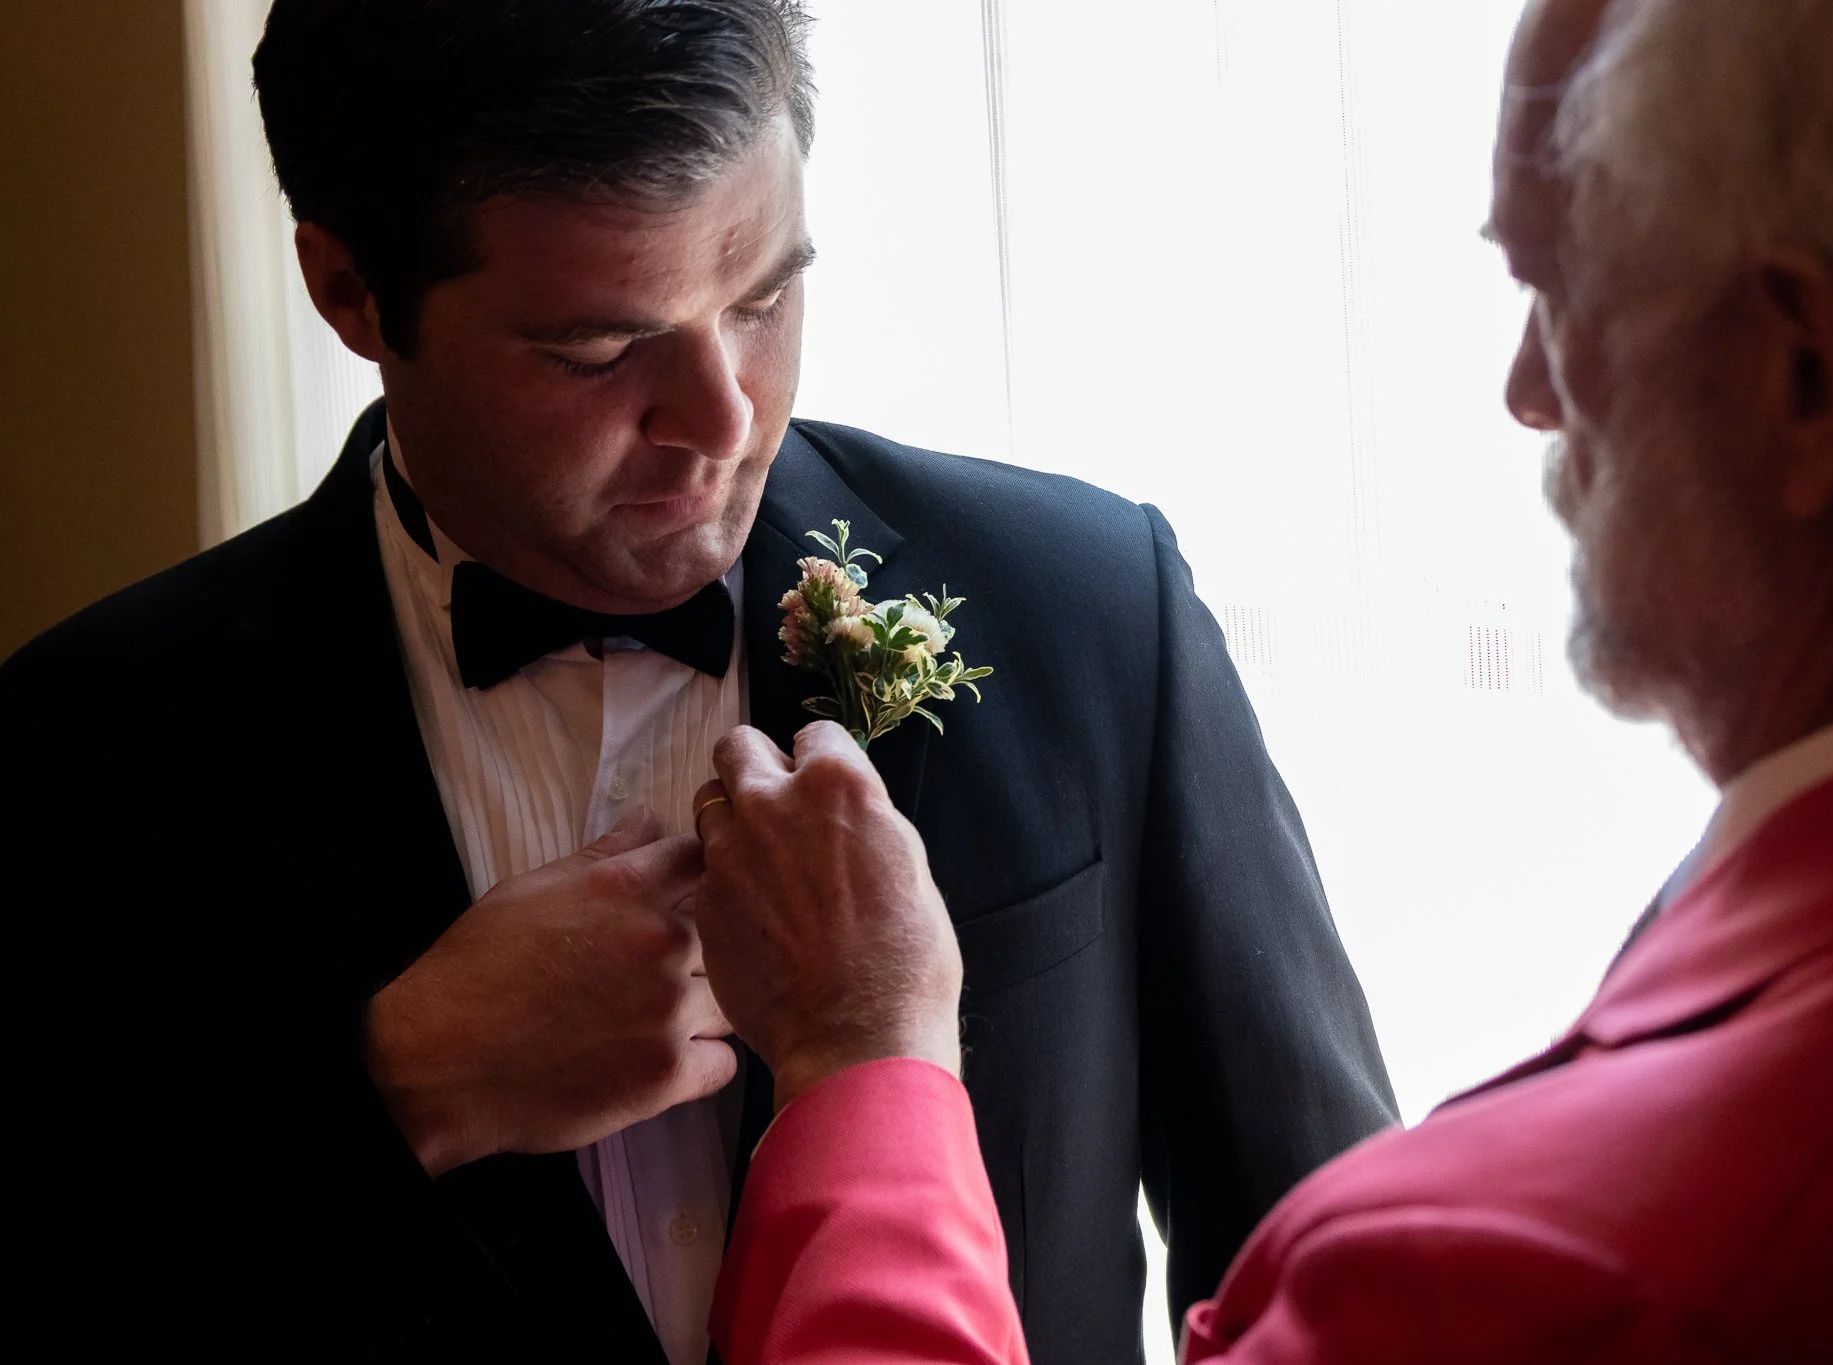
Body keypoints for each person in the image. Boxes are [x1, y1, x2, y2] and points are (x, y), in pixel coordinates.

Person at [0, 2, 1396, 1359]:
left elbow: (1336, 1272)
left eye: (765, 296)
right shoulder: (93, 740)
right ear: (351, 292)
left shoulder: (1087, 607)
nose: (726, 421)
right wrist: (403, 1089)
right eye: (599, 352)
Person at [687, 0, 1833, 1360]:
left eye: (1559, 290)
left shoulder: (1525, 1276)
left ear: (1805, 376)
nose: (1528, 390)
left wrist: (865, 1059)